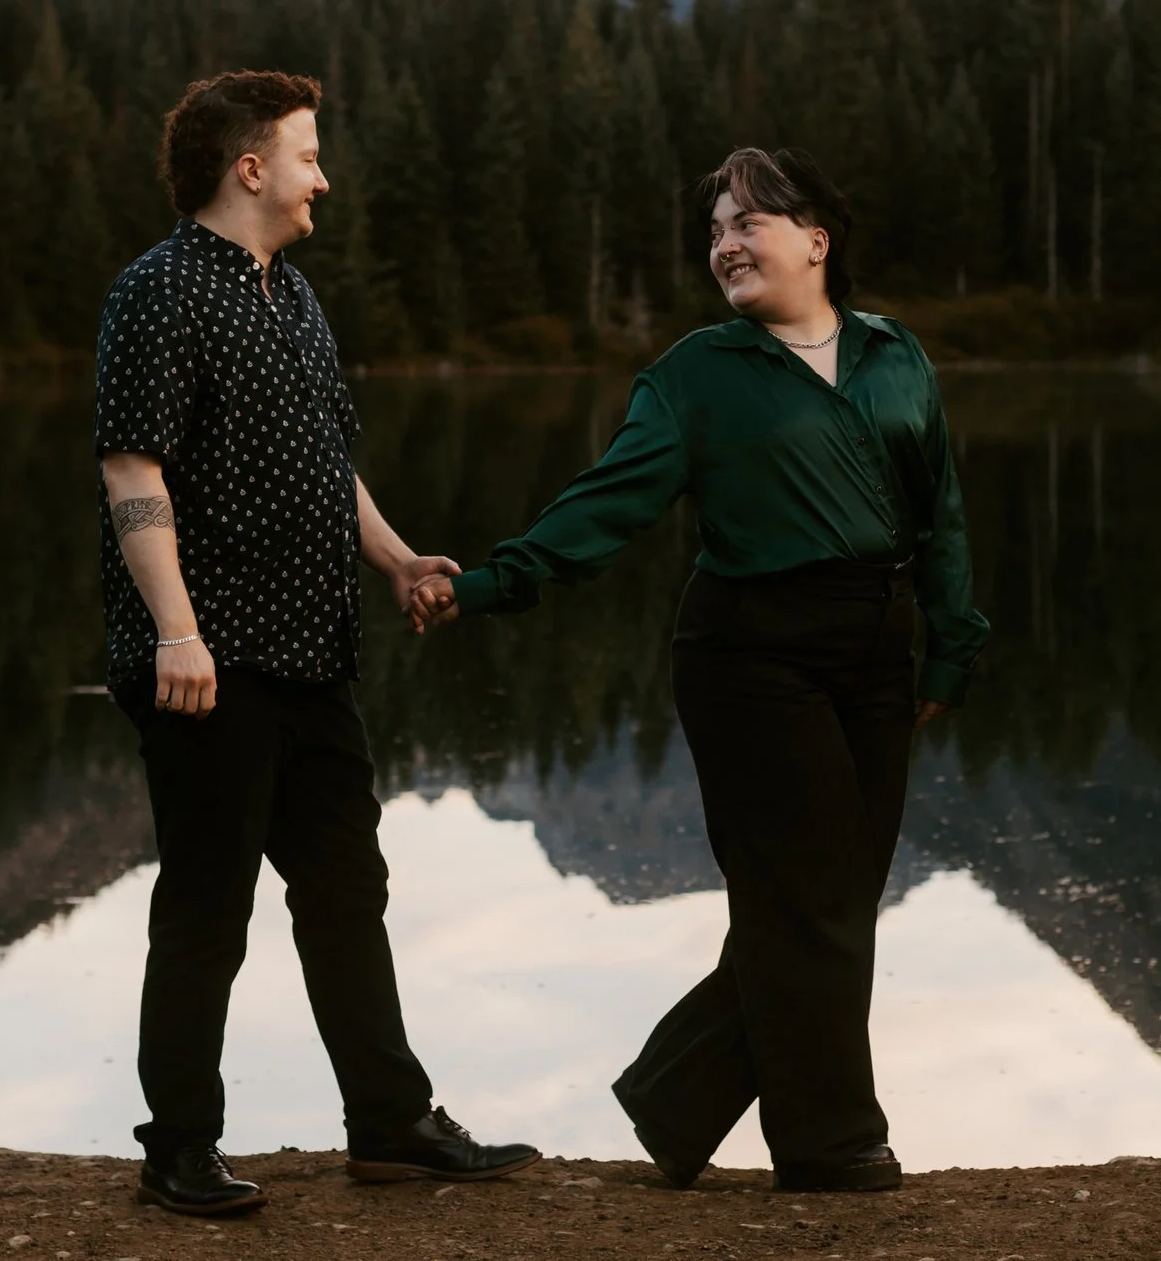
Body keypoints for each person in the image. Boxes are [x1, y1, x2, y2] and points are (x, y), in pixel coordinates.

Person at [412, 145, 989, 1193]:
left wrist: (950, 641)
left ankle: (676, 1097)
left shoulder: (896, 355)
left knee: (832, 898)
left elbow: (938, 511)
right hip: (748, 653)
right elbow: (608, 503)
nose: (724, 243)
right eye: (714, 229)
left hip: (876, 647)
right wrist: (491, 582)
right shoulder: (695, 375)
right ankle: (828, 1141)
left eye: (746, 222)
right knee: (808, 893)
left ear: (817, 237)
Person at [96, 69, 538, 1217]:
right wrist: (175, 633)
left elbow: (321, 459)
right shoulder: (159, 292)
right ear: (250, 168)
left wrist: (394, 560)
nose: (321, 175)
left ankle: (388, 1122)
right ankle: (178, 1146)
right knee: (208, 903)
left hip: (309, 650)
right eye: (306, 153)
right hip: (210, 661)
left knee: (346, 885)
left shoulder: (289, 293)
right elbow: (132, 466)